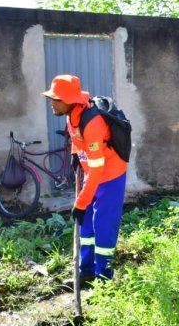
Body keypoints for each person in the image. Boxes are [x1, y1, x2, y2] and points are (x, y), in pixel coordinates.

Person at [41, 74, 128, 281]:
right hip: (91, 174)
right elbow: (76, 137)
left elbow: (98, 169)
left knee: (103, 226)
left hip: (110, 176)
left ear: (70, 100)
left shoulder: (93, 122)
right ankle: (86, 271)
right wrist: (75, 156)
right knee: (86, 224)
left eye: (56, 99)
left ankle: (104, 278)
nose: (52, 103)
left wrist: (80, 202)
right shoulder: (72, 116)